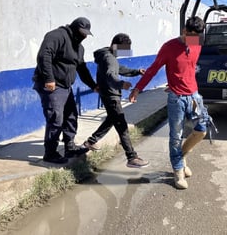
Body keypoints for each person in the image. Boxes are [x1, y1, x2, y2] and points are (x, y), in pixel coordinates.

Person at [129, 16, 209, 189]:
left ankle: (182, 154)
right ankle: (178, 171)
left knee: (202, 130)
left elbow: (190, 67)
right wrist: (137, 89)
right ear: (184, 31)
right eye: (191, 36)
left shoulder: (197, 44)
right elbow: (153, 69)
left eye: (197, 36)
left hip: (194, 96)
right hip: (177, 99)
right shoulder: (169, 47)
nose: (193, 40)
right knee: (175, 137)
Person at [33, 17, 97, 164]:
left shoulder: (79, 48)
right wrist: (49, 79)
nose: (84, 36)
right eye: (82, 33)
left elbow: (82, 68)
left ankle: (70, 146)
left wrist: (93, 85)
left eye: (86, 34)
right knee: (56, 118)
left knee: (71, 116)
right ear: (74, 28)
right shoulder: (57, 36)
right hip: (51, 85)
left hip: (65, 87)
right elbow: (44, 56)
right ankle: (50, 153)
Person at [82, 33, 149, 168]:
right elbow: (110, 75)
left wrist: (136, 71)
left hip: (107, 94)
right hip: (111, 95)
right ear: (117, 46)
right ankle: (131, 157)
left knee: (111, 119)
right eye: (125, 49)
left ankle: (91, 141)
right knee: (121, 126)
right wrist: (121, 84)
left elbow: (119, 69)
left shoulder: (108, 56)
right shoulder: (109, 58)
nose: (126, 52)